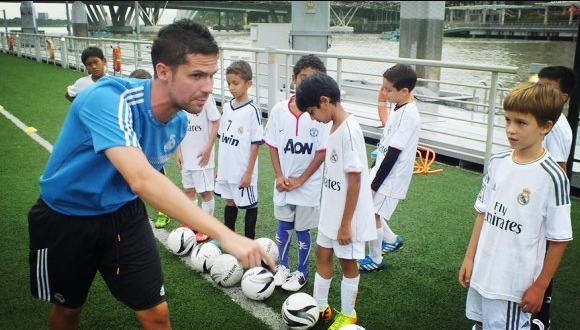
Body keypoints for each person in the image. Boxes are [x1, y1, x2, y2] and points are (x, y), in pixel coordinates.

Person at [28, 19, 274, 330]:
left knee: (157, 316)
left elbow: (151, 179)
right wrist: (227, 235)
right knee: (69, 311)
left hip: (124, 214)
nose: (209, 87)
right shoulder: (108, 98)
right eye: (197, 75)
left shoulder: (178, 124)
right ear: (163, 72)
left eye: (211, 75)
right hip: (66, 217)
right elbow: (141, 178)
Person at [458, 82, 572, 330]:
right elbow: (483, 213)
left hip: (512, 283)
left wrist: (540, 285)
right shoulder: (497, 161)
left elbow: (560, 239)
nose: (510, 129)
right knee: (480, 321)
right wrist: (470, 258)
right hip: (483, 270)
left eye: (521, 123)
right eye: (507, 120)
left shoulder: (552, 176)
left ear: (545, 127)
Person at [296, 72, 376, 330]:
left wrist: (345, 224)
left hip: (347, 217)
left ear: (324, 101)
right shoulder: (333, 126)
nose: (312, 118)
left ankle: (348, 313)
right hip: (331, 210)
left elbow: (355, 180)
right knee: (322, 252)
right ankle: (320, 306)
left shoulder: (350, 131)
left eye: (311, 112)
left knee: (347, 262)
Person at [263, 55, 330, 292]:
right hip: (283, 183)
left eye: (313, 79)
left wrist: (301, 179)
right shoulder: (279, 110)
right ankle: (283, 266)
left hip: (307, 186)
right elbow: (272, 144)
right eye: (304, 78)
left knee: (302, 229)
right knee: (283, 225)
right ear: (293, 79)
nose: (308, 83)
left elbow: (321, 152)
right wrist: (279, 175)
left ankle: (301, 270)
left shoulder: (321, 115)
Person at [358, 64, 421, 272]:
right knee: (369, 207)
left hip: (392, 178)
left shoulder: (410, 115)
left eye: (388, 89)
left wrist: (375, 184)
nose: (384, 92)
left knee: (372, 213)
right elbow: (387, 142)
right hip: (382, 170)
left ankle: (375, 259)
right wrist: (374, 167)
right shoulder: (399, 105)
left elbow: (394, 153)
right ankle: (391, 239)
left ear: (404, 91)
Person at [532, 65, 577, 330]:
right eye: (538, 84)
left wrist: (542, 209)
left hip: (544, 207)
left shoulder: (557, 126)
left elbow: (559, 171)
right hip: (535, 203)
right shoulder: (545, 118)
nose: (539, 91)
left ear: (563, 97)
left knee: (543, 260)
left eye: (547, 88)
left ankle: (542, 317)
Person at [215, 60, 263, 239]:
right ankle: (229, 240)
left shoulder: (253, 110)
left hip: (243, 170)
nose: (231, 87)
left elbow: (255, 143)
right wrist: (220, 168)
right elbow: (224, 140)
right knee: (230, 201)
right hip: (227, 169)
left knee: (250, 205)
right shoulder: (227, 107)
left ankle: (249, 242)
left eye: (236, 83)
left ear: (248, 83)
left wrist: (249, 173)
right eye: (228, 83)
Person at [176, 93, 220, 241]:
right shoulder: (183, 95)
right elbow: (180, 125)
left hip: (202, 157)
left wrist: (208, 148)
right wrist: (179, 151)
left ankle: (206, 227)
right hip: (187, 154)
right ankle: (191, 223)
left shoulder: (206, 97)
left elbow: (216, 121)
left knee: (206, 193)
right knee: (188, 190)